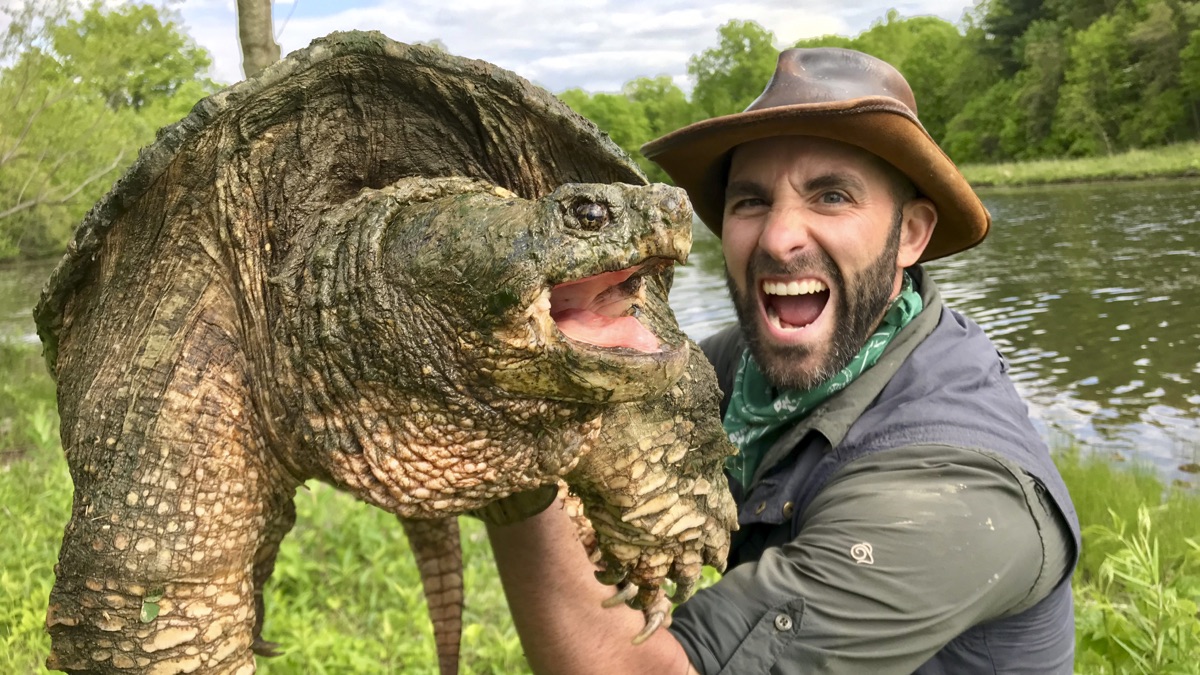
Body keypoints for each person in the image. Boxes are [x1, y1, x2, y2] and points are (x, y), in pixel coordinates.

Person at [484, 47, 1080, 674]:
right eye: (750, 202)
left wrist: (511, 471)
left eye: (830, 196)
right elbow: (610, 400)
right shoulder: (750, 366)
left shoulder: (951, 497)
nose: (777, 237)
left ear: (910, 235)